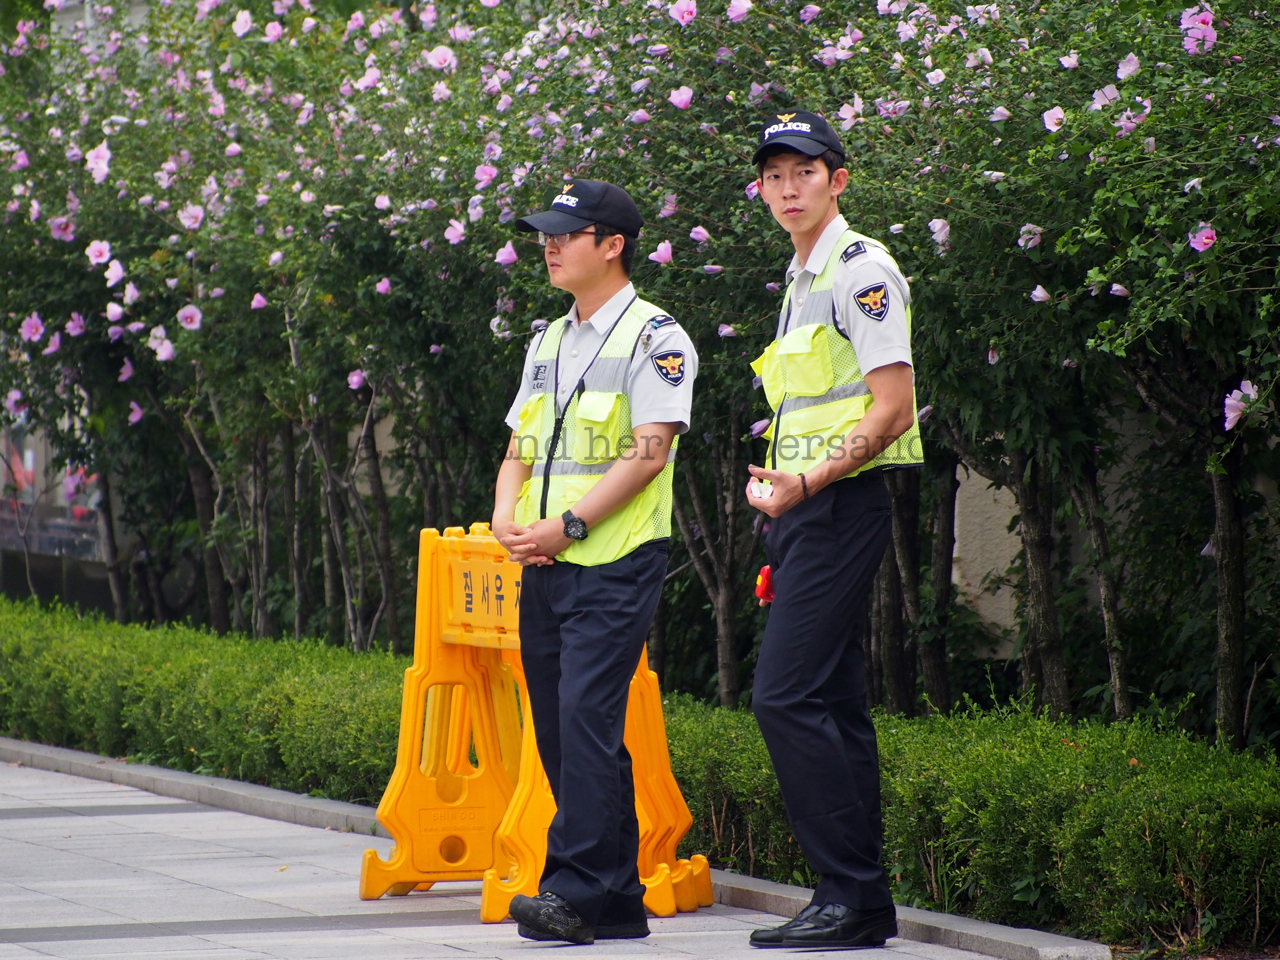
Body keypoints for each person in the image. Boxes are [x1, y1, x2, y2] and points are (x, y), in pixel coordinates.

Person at [490, 179, 698, 945]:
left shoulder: (656, 338)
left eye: (565, 235)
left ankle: (573, 890)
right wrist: (505, 514)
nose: (548, 247)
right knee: (563, 729)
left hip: (614, 558)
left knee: (583, 719)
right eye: (545, 235)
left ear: (612, 246)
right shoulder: (549, 339)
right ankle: (614, 901)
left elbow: (649, 452)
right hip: (545, 561)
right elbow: (520, 444)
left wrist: (569, 525)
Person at [742, 110, 923, 948]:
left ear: (837, 180)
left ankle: (846, 894)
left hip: (838, 505)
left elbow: (893, 409)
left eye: (804, 172)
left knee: (783, 696)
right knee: (835, 702)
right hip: (803, 512)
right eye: (774, 176)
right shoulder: (801, 279)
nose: (789, 189)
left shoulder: (861, 272)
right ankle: (861, 903)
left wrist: (807, 483)